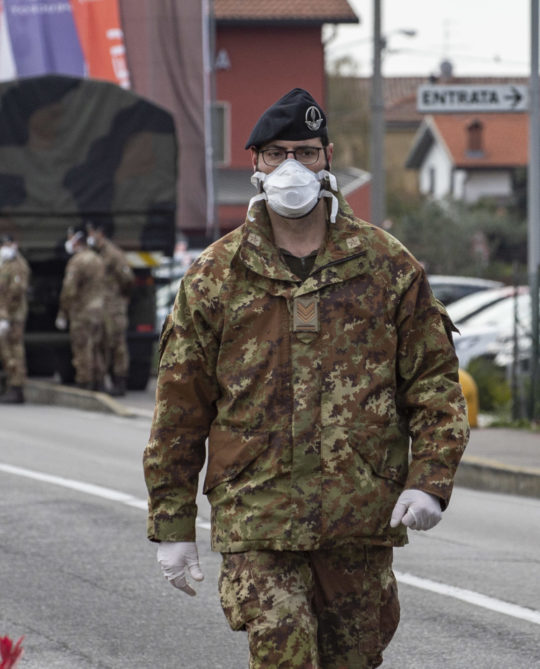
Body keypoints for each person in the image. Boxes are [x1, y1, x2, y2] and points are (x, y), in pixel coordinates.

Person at [143, 88, 469, 668]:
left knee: (355, 659)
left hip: (358, 518)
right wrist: (173, 521)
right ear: (256, 165)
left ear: (328, 160)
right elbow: (180, 408)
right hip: (258, 517)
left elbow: (434, 383)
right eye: (275, 153)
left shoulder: (386, 265)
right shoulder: (217, 275)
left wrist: (431, 479)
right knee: (284, 654)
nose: (291, 166)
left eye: (305, 152)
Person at [86, 221, 134, 396]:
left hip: (113, 307)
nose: (90, 236)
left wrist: (121, 297)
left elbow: (127, 278)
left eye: (92, 232)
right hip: (98, 307)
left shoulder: (113, 254)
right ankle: (99, 380)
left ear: (100, 233)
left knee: (117, 343)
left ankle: (119, 381)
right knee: (99, 342)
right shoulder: (92, 254)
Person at [56, 225, 106, 391]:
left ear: (77, 240)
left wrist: (63, 312)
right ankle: (99, 381)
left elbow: (69, 290)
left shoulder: (77, 262)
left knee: (82, 347)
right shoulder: (97, 259)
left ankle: (85, 382)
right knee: (96, 347)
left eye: (70, 238)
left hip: (82, 312)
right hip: (98, 311)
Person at [0, 234, 31, 404]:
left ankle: (17, 387)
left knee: (14, 351)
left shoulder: (18, 266)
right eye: (1, 244)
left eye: (7, 244)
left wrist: (6, 318)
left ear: (14, 244)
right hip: (4, 316)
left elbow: (16, 294)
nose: (3, 248)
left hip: (13, 317)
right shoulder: (6, 265)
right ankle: (12, 385)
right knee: (6, 352)